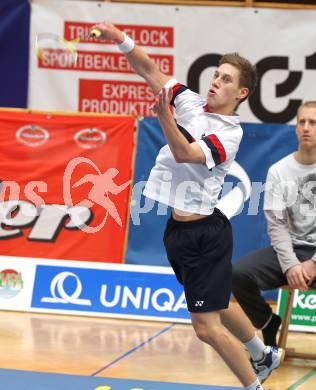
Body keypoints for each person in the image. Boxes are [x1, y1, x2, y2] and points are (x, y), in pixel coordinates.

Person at [90, 22, 283, 389]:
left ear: (241, 92)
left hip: (205, 235)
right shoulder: (189, 101)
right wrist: (120, 38)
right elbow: (149, 69)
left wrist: (163, 117)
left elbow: (185, 153)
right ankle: (263, 354)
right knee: (221, 302)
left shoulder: (229, 133)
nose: (215, 82)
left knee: (206, 329)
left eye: (226, 79)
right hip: (178, 231)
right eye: (215, 75)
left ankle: (253, 384)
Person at [232, 101, 316, 348]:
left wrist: (313, 264)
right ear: (295, 128)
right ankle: (268, 322)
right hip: (292, 249)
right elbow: (276, 225)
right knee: (237, 274)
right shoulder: (279, 171)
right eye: (302, 122)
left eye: (313, 123)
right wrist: (291, 265)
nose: (306, 128)